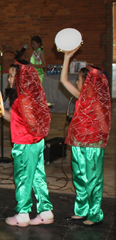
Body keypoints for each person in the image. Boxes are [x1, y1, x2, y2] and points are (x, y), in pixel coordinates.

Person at [0, 59, 54, 227]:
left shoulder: (22, 99)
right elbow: (17, 119)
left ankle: (22, 214)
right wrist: (1, 110)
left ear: (22, 78)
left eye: (12, 76)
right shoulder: (32, 96)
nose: (9, 80)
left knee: (23, 178)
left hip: (25, 145)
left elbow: (26, 122)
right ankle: (45, 211)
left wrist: (27, 137)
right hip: (36, 143)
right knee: (37, 177)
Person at [60, 50, 111, 226]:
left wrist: (98, 140)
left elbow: (104, 126)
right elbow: (63, 80)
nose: (77, 82)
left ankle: (94, 214)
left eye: (80, 79)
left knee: (93, 180)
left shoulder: (96, 102)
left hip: (92, 145)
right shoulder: (81, 96)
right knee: (80, 178)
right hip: (77, 143)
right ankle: (81, 210)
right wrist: (67, 58)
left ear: (89, 82)